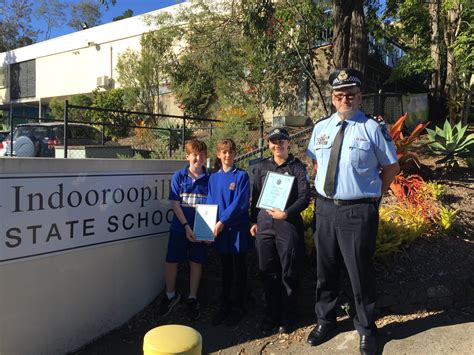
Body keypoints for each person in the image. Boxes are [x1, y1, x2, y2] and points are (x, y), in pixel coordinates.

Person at [305, 68, 400, 355]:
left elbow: (392, 168)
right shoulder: (321, 127)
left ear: (360, 97)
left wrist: (374, 195)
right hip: (324, 209)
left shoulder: (373, 128)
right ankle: (326, 319)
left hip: (358, 211)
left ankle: (367, 328)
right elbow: (315, 160)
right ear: (332, 98)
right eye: (338, 95)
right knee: (326, 269)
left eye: (350, 94)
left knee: (359, 271)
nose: (344, 99)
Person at [250, 128, 310, 334]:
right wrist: (253, 221)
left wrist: (287, 213)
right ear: (269, 145)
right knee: (267, 271)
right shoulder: (261, 167)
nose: (277, 146)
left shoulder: (298, 168)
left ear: (288, 144)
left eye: (281, 142)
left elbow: (305, 197)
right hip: (265, 225)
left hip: (288, 224)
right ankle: (271, 313)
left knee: (289, 271)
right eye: (273, 142)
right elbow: (256, 196)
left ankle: (288, 315)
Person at [158, 139, 210, 321]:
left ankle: (192, 298)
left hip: (201, 229)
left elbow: (212, 205)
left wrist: (207, 230)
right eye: (194, 154)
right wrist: (186, 227)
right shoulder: (179, 176)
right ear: (187, 156)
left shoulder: (209, 178)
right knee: (171, 261)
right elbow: (175, 203)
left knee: (196, 262)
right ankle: (171, 295)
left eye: (202, 154)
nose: (198, 158)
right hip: (180, 228)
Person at [206, 138, 253, 326]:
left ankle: (238, 307)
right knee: (225, 269)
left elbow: (240, 204)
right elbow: (210, 202)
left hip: (236, 231)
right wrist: (207, 226)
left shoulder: (241, 176)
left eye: (231, 152)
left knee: (239, 269)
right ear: (218, 154)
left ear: (234, 154)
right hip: (220, 231)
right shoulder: (213, 178)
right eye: (224, 152)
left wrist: (222, 221)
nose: (227, 155)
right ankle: (224, 306)